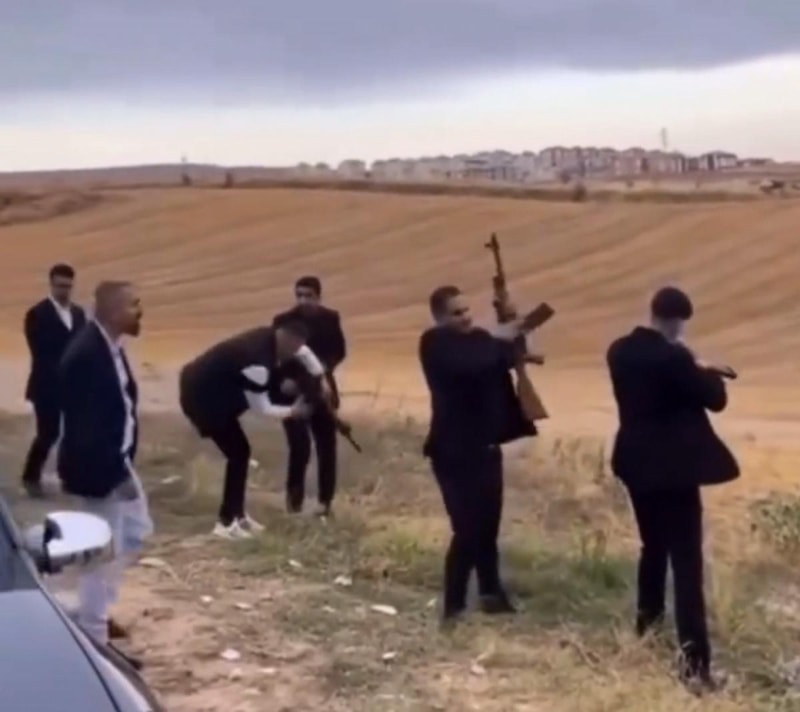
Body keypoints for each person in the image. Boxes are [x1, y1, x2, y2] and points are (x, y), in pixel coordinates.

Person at [606, 286, 739, 691]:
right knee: (687, 565)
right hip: (675, 471)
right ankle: (695, 666)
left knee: (652, 547)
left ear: (653, 313)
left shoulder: (619, 350)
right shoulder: (675, 357)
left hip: (635, 462)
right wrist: (702, 367)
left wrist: (688, 363)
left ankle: (647, 628)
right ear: (679, 321)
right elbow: (715, 399)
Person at [418, 285, 536, 627]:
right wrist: (501, 334)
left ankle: (490, 592)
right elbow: (473, 363)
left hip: (486, 447)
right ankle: (453, 607)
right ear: (439, 318)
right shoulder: (435, 343)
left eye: (467, 310)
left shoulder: (481, 340)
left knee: (488, 527)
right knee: (467, 529)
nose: (465, 317)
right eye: (456, 313)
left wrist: (513, 323)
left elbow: (510, 356)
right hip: (453, 452)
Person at [58, 280, 151, 667]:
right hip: (99, 471)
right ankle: (95, 641)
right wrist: (114, 474)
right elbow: (85, 429)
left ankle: (86, 612)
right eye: (133, 304)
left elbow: (120, 407)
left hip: (116, 461)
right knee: (100, 556)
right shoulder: (87, 355)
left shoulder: (109, 346)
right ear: (113, 311)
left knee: (136, 532)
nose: (140, 311)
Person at [179, 321, 327, 539]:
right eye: (293, 348)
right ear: (284, 338)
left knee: (240, 453)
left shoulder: (274, 339)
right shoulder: (258, 365)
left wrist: (319, 380)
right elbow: (262, 409)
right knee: (238, 453)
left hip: (215, 386)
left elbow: (305, 353)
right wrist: (292, 411)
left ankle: (238, 516)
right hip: (202, 397)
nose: (295, 354)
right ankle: (225, 523)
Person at [271, 276, 347, 516]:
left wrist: (323, 368)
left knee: (326, 446)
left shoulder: (330, 319)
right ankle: (294, 503)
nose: (303, 300)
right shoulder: (283, 321)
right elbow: (274, 355)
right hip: (292, 392)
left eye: (308, 295)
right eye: (299, 295)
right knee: (299, 446)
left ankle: (325, 503)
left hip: (321, 388)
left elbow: (339, 351)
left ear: (318, 297)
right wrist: (285, 380)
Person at [21, 263, 87, 498]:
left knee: (75, 433)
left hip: (73, 387)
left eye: (68, 286)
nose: (64, 291)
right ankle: (30, 476)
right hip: (46, 386)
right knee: (48, 433)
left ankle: (69, 476)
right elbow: (40, 353)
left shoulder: (78, 314)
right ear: (51, 285)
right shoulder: (37, 314)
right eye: (60, 286)